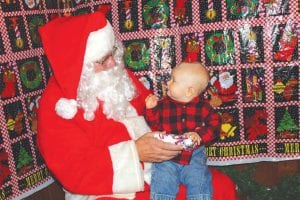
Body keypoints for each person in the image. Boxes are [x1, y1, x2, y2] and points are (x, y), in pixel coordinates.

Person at [37, 11, 236, 200]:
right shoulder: (57, 106)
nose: (113, 64)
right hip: (107, 186)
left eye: (112, 52)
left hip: (159, 169)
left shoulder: (120, 77)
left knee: (220, 186)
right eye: (102, 59)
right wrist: (136, 153)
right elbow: (74, 171)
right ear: (79, 64)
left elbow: (162, 112)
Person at [145, 62, 221, 200]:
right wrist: (151, 109)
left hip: (194, 155)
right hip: (167, 155)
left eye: (173, 80)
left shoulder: (204, 107)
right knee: (162, 180)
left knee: (199, 179)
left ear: (189, 91)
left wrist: (199, 135)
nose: (168, 82)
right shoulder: (163, 105)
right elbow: (154, 125)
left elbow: (215, 125)